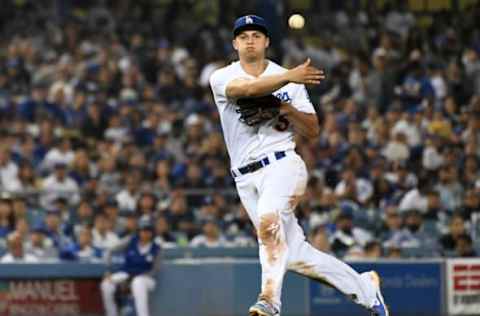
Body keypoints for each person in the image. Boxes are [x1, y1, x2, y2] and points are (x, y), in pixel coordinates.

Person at [209, 14, 389, 316]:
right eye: (244, 36)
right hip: (244, 177)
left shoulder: (288, 79)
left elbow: (312, 128)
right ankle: (365, 288)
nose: (250, 40)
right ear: (235, 43)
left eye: (256, 35)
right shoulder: (223, 76)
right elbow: (246, 91)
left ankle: (269, 301)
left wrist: (284, 105)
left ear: (267, 41)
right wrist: (286, 79)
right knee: (293, 256)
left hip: (282, 165)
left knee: (269, 224)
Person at [100, 218, 160, 316]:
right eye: (142, 230)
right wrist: (108, 270)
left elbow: (155, 269)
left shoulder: (156, 247)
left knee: (138, 282)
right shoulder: (131, 240)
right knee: (106, 284)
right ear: (139, 231)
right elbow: (109, 251)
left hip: (146, 278)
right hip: (127, 273)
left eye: (148, 231)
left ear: (152, 233)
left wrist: (134, 278)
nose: (145, 233)